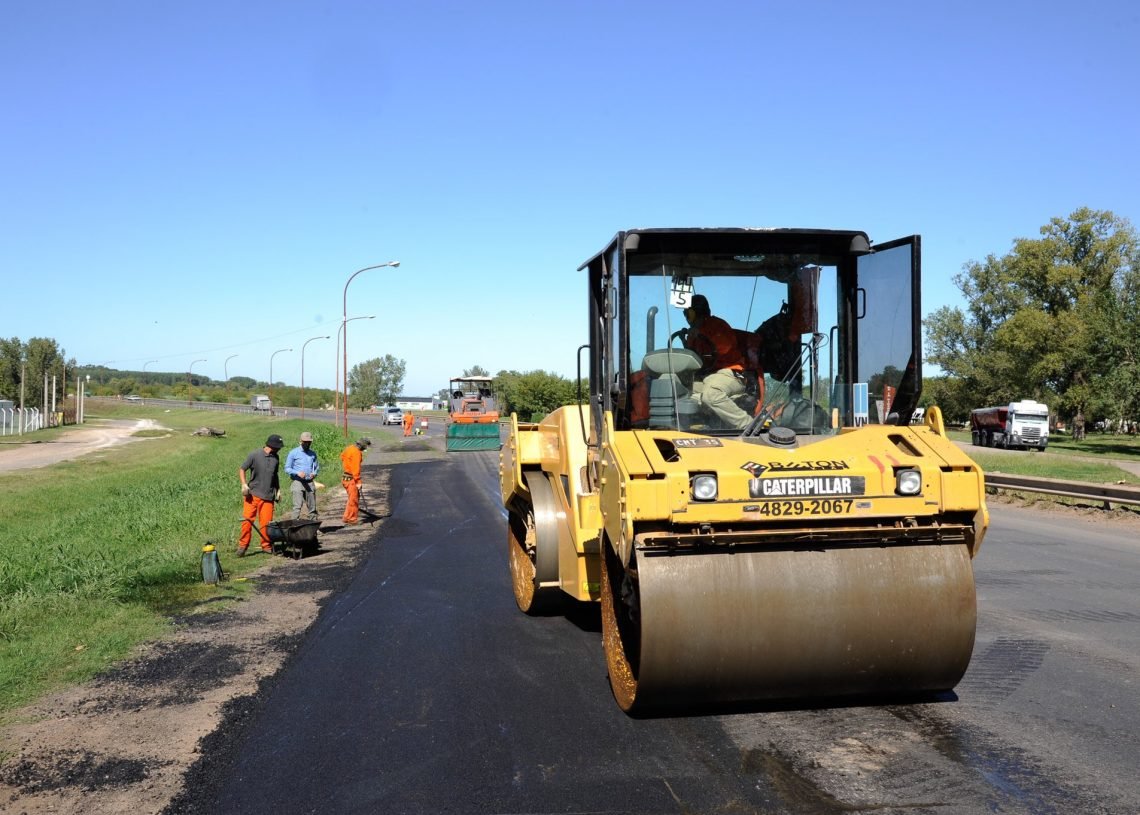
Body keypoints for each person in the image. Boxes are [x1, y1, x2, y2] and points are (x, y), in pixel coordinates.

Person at [681, 294, 752, 430]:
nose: (686, 317)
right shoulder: (692, 333)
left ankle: (749, 426)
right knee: (676, 390)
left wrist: (701, 335)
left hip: (730, 373)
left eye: (687, 313)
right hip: (706, 377)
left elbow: (725, 347)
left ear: (695, 312)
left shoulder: (717, 325)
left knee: (711, 394)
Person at [237, 434, 284, 556]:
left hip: (268, 496)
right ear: (272, 446)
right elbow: (242, 469)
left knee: (266, 524)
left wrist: (278, 490)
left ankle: (266, 546)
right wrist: (244, 484)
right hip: (252, 495)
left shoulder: (276, 458)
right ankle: (243, 546)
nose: (279, 449)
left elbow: (275, 475)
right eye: (278, 447)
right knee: (247, 522)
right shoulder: (255, 455)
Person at [284, 431, 320, 521]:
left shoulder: (313, 454)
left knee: (312, 507)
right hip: (298, 481)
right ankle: (294, 525)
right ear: (301, 441)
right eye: (305, 442)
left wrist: (314, 473)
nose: (307, 444)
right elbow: (287, 468)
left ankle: (313, 525)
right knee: (297, 506)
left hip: (309, 482)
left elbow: (316, 467)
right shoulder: (293, 453)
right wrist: (297, 473)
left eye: (309, 442)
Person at [340, 436, 371, 525]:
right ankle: (352, 519)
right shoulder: (356, 453)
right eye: (366, 446)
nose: (366, 448)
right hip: (351, 479)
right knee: (354, 500)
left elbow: (342, 456)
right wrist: (358, 482)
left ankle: (347, 517)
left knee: (351, 499)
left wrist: (347, 464)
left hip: (345, 478)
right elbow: (355, 469)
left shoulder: (349, 448)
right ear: (362, 445)